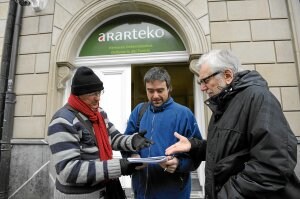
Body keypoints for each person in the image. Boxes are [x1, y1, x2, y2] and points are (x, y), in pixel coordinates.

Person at [165, 49, 300, 199]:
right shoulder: (224, 104)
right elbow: (229, 150)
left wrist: (227, 195)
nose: (202, 88)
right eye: (200, 82)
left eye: (205, 80)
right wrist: (194, 146)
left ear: (228, 75)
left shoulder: (257, 98)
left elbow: (275, 163)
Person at [47, 66, 153, 199]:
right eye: (92, 94)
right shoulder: (62, 121)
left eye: (99, 92)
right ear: (78, 95)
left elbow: (113, 138)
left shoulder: (99, 113)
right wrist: (120, 166)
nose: (97, 98)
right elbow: (69, 171)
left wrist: (132, 141)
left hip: (107, 190)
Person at [122, 67, 202, 199]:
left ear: (169, 88)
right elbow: (125, 142)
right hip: (141, 192)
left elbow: (197, 153)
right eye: (150, 91)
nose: (155, 96)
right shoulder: (139, 111)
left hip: (173, 193)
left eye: (160, 90)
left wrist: (179, 164)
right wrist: (132, 154)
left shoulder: (184, 114)